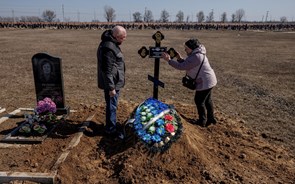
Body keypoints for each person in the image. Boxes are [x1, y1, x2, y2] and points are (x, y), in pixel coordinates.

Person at [162, 38, 217, 127]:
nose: (185, 50)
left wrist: (169, 60)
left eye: (186, 48)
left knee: (199, 101)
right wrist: (179, 58)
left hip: (205, 82)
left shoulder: (196, 56)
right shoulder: (196, 54)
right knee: (207, 100)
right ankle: (211, 119)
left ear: (191, 48)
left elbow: (182, 67)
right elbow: (188, 64)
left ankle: (202, 121)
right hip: (209, 80)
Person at [97, 25, 127, 139]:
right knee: (111, 106)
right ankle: (111, 130)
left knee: (112, 105)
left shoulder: (112, 43)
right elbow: (106, 70)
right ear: (116, 36)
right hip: (112, 84)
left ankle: (111, 125)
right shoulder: (108, 47)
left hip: (114, 82)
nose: (124, 40)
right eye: (122, 38)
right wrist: (111, 88)